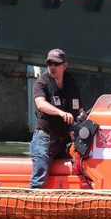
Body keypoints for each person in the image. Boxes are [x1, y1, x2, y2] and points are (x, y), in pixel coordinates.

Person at [29, 48, 83, 189]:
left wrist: (81, 124)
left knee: (76, 171)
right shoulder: (41, 84)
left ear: (65, 65)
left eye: (56, 64)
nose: (52, 67)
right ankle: (33, 203)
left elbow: (80, 109)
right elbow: (41, 104)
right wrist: (61, 113)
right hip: (45, 138)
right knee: (38, 181)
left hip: (65, 140)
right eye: (49, 63)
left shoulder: (71, 82)